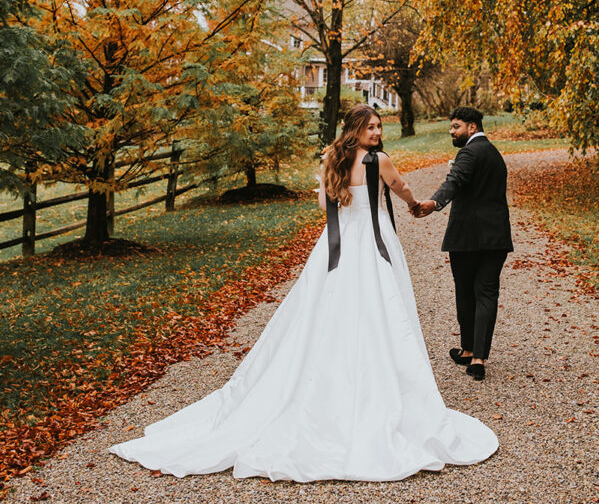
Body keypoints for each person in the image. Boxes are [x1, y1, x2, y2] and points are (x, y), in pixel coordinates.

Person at [109, 104, 498, 483]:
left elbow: (324, 203)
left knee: (332, 312)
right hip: (371, 245)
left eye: (379, 127)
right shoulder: (378, 162)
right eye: (371, 129)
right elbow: (402, 189)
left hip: (337, 246)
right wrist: (415, 205)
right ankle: (372, 390)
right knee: (378, 311)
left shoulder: (333, 160)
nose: (377, 134)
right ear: (355, 130)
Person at [414, 107, 513, 381]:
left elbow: (454, 181)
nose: (451, 132)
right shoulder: (494, 154)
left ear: (471, 127)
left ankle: (470, 350)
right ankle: (477, 356)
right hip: (496, 238)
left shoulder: (469, 153)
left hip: (468, 238)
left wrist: (433, 204)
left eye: (455, 127)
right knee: (487, 294)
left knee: (466, 293)